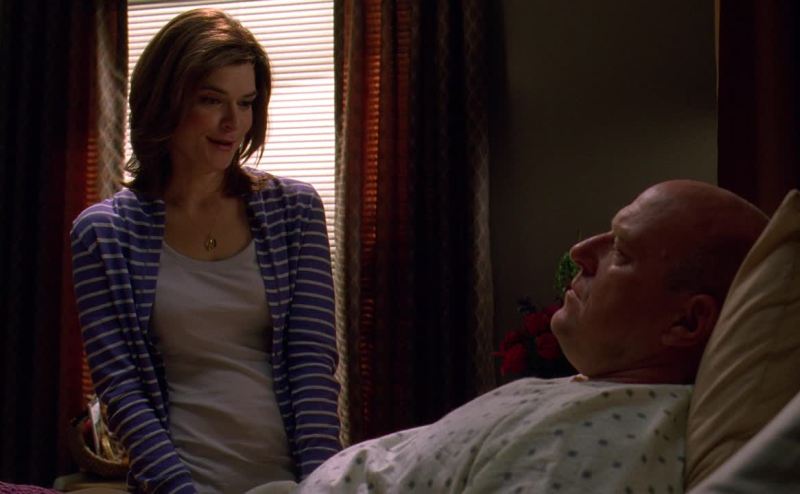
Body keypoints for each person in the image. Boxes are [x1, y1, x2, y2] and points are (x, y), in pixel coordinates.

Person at [254, 180, 768, 493]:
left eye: (622, 252)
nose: (582, 251)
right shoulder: (597, 396)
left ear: (685, 324)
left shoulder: (603, 443)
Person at [70, 9, 340, 494]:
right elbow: (122, 390)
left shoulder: (294, 211)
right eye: (212, 100)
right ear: (165, 101)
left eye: (246, 102)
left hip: (291, 480)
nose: (233, 123)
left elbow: (312, 365)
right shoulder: (103, 235)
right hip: (179, 483)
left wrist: (322, 485)